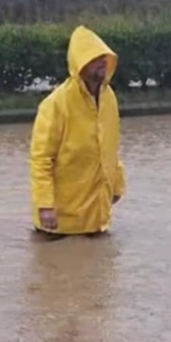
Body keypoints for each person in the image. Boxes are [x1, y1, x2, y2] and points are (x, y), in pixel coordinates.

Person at [29, 25, 126, 236]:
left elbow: (111, 147)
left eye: (104, 57)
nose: (102, 62)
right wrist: (45, 206)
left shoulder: (109, 98)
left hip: (98, 219)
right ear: (80, 63)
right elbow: (41, 159)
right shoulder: (56, 104)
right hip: (60, 223)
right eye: (95, 58)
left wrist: (117, 185)